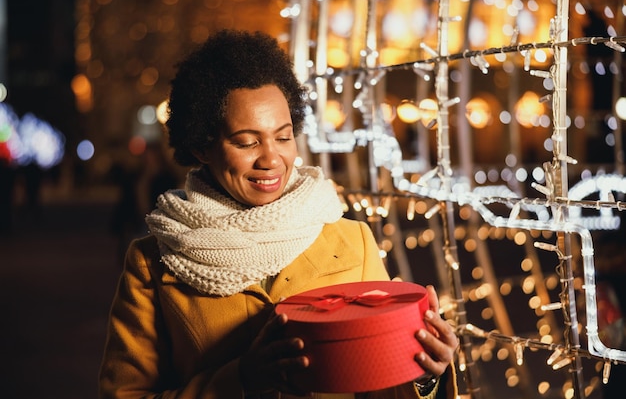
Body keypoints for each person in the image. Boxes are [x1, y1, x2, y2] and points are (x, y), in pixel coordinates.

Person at [98, 29, 459, 399]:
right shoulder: (152, 264)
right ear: (202, 147)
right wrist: (239, 381)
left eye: (283, 137)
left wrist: (424, 373)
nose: (272, 159)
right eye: (247, 141)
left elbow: (380, 382)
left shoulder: (353, 242)